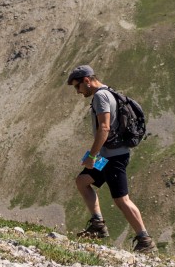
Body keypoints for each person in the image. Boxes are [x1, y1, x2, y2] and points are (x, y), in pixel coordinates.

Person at [67, 64, 156, 254]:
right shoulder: (108, 92)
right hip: (106, 156)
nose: (77, 92)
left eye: (78, 87)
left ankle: (145, 240)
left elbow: (104, 128)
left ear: (87, 81)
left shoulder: (100, 96)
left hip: (113, 158)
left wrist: (91, 156)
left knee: (122, 200)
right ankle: (97, 224)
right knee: (82, 181)